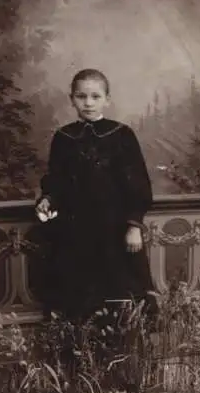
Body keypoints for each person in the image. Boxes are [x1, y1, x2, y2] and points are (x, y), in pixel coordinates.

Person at [36, 69, 158, 322]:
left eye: (95, 96)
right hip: (74, 232)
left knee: (122, 299)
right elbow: (56, 181)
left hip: (114, 231)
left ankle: (126, 356)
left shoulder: (121, 135)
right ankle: (82, 356)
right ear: (71, 99)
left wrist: (134, 226)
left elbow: (139, 186)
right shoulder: (63, 138)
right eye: (81, 96)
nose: (88, 103)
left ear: (107, 99)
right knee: (78, 300)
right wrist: (48, 199)